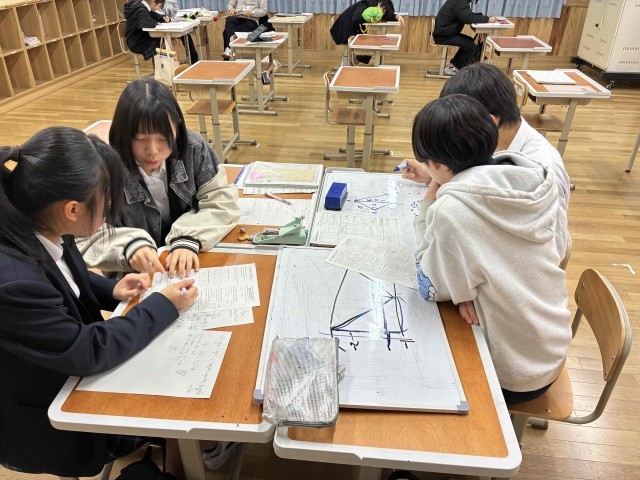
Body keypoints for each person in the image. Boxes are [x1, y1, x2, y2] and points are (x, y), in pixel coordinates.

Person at [0, 126, 197, 477]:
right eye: (106, 201)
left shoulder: (40, 221)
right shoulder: (15, 282)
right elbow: (88, 349)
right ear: (72, 209)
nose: (108, 211)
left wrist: (111, 289)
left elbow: (62, 277)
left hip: (68, 372)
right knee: (178, 405)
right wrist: (163, 304)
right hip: (49, 418)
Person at [411, 94, 571, 404]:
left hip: (512, 373)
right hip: (550, 348)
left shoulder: (451, 210)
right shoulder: (532, 176)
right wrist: (464, 286)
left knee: (420, 365)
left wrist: (430, 199)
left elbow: (429, 287)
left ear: (437, 164)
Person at [403, 62, 570, 262]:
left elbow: (555, 250)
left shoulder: (542, 170)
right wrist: (436, 175)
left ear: (489, 121)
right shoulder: (494, 144)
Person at [77, 79, 241, 278]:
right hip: (135, 278)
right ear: (123, 133)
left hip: (192, 259)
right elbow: (84, 235)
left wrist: (188, 237)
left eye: (163, 138)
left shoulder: (193, 148)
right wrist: (129, 246)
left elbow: (221, 199)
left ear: (177, 129)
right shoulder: (106, 168)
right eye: (140, 139)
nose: (153, 151)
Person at [330, 0, 404, 65]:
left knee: (370, 45)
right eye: (383, 10)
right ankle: (349, 63)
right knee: (370, 46)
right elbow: (355, 19)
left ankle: (350, 63)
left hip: (351, 31)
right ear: (379, 3)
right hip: (342, 33)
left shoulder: (371, 7)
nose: (382, 13)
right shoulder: (363, 4)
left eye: (384, 12)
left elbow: (385, 16)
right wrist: (370, 15)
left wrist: (396, 16)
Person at [433, 0, 497, 75]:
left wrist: (482, 17)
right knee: (470, 46)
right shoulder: (461, 2)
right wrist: (488, 19)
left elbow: (467, 14)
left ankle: (453, 65)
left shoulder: (460, 2)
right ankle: (459, 70)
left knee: (469, 42)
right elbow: (467, 18)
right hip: (443, 36)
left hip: (445, 33)